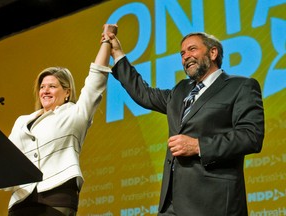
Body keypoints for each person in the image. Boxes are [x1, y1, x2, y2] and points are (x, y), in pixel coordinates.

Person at [105, 29, 265, 215]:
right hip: (172, 204)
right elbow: (144, 94)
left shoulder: (241, 86)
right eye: (182, 53)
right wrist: (117, 54)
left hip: (213, 203)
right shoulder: (181, 90)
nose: (186, 56)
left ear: (213, 53)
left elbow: (251, 136)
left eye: (192, 49)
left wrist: (198, 146)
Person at [4, 24, 117, 216]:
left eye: (52, 86)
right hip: (21, 199)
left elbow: (95, 80)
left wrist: (106, 41)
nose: (45, 90)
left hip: (57, 196)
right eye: (42, 87)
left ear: (67, 92)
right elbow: (7, 159)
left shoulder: (74, 113)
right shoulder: (22, 121)